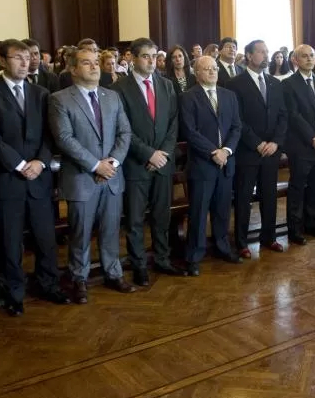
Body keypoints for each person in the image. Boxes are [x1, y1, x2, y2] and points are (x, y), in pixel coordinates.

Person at [0, 39, 68, 316]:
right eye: (18, 57)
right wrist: (20, 163)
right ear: (1, 60)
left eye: (28, 57)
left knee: (45, 238)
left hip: (39, 177)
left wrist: (40, 161)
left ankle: (48, 284)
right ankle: (13, 292)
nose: (25, 62)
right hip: (7, 178)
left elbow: (50, 134)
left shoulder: (40, 93)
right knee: (10, 240)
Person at [48, 46, 136, 303]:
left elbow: (125, 133)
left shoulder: (112, 96)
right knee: (80, 232)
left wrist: (113, 162)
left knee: (111, 229)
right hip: (81, 178)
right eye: (86, 63)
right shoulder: (60, 99)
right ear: (73, 69)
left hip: (112, 177)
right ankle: (79, 278)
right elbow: (64, 138)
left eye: (96, 62)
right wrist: (95, 165)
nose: (94, 66)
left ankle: (113, 272)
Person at [113, 38, 184, 286]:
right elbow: (122, 129)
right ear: (133, 58)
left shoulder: (166, 85)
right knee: (134, 219)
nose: (152, 61)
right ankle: (139, 264)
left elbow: (174, 124)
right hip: (136, 165)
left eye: (155, 56)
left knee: (161, 215)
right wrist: (148, 154)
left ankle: (162, 259)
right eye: (146, 56)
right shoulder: (120, 88)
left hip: (163, 163)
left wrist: (162, 153)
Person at [180, 56, 242, 276]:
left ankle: (222, 247)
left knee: (222, 209)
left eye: (215, 68)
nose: (213, 72)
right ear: (197, 73)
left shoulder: (229, 96)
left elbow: (236, 128)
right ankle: (194, 255)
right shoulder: (188, 98)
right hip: (202, 165)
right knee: (198, 212)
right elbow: (189, 131)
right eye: (207, 69)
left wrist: (226, 151)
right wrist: (212, 152)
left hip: (226, 163)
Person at [227, 40, 288, 257]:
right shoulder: (235, 84)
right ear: (249, 55)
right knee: (244, 198)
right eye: (261, 52)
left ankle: (269, 237)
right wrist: (257, 143)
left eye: (267, 51)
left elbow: (283, 116)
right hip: (248, 152)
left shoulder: (275, 83)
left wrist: (275, 143)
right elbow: (237, 120)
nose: (266, 55)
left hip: (271, 152)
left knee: (269, 195)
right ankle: (242, 242)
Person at [282, 44, 315, 244]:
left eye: (312, 56)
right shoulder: (288, 84)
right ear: (296, 60)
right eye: (304, 56)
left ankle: (312, 223)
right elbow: (294, 115)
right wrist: (313, 138)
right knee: (298, 187)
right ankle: (294, 229)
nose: (309, 59)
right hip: (301, 145)